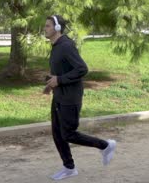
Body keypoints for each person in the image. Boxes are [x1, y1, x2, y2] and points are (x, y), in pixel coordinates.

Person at [43, 15, 117, 181]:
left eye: (48, 26)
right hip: (59, 95)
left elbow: (82, 69)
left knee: (68, 134)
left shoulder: (66, 46)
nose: (45, 29)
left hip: (70, 98)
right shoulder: (56, 46)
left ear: (57, 28)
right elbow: (62, 70)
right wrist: (50, 83)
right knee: (57, 133)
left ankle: (105, 145)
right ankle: (69, 168)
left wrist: (59, 80)